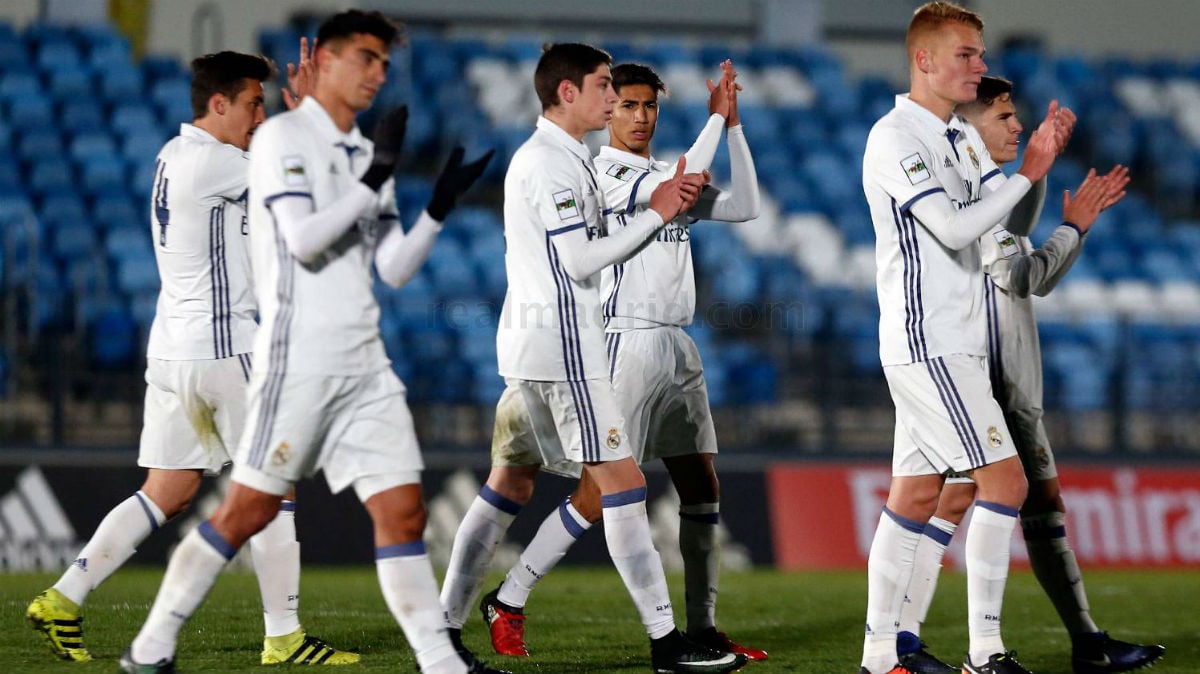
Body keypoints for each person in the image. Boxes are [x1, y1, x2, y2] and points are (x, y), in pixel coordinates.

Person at [117, 10, 497, 674]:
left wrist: (436, 207)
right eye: (364, 58)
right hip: (297, 361)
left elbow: (393, 268)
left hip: (365, 363)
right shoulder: (282, 139)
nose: (377, 73)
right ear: (324, 62)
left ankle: (442, 664)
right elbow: (302, 239)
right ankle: (150, 648)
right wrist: (375, 177)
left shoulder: (358, 151)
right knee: (247, 511)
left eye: (383, 62)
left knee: (404, 512)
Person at [26, 48, 357, 667]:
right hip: (225, 349)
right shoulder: (216, 163)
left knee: (168, 490)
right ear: (219, 103)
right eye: (254, 103)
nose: (261, 114)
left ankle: (63, 598)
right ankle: (284, 636)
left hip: (175, 349)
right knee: (274, 488)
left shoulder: (173, 156)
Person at [438, 42, 745, 674]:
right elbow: (578, 261)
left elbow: (733, 205)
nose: (616, 104)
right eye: (607, 88)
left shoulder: (564, 160)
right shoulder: (558, 166)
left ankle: (443, 629)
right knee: (617, 487)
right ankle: (665, 644)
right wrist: (662, 207)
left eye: (627, 96)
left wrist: (698, 161)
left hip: (551, 348)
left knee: (510, 484)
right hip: (570, 350)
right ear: (570, 93)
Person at [893, 75, 1162, 674]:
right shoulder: (963, 202)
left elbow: (1016, 234)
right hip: (978, 383)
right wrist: (1075, 229)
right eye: (1005, 117)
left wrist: (1037, 175)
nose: (1017, 126)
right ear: (969, 125)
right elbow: (1022, 274)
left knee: (1039, 503)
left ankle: (1086, 642)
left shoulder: (989, 200)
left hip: (1011, 386)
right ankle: (913, 643)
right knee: (954, 500)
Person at [858, 3, 1075, 673]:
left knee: (916, 498)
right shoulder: (896, 137)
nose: (979, 66)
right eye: (966, 55)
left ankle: (877, 658)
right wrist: (1029, 170)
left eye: (979, 54)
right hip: (929, 343)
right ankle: (986, 653)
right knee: (1004, 483)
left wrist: (1027, 182)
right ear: (924, 60)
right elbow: (953, 231)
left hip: (958, 345)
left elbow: (993, 226)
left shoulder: (960, 139)